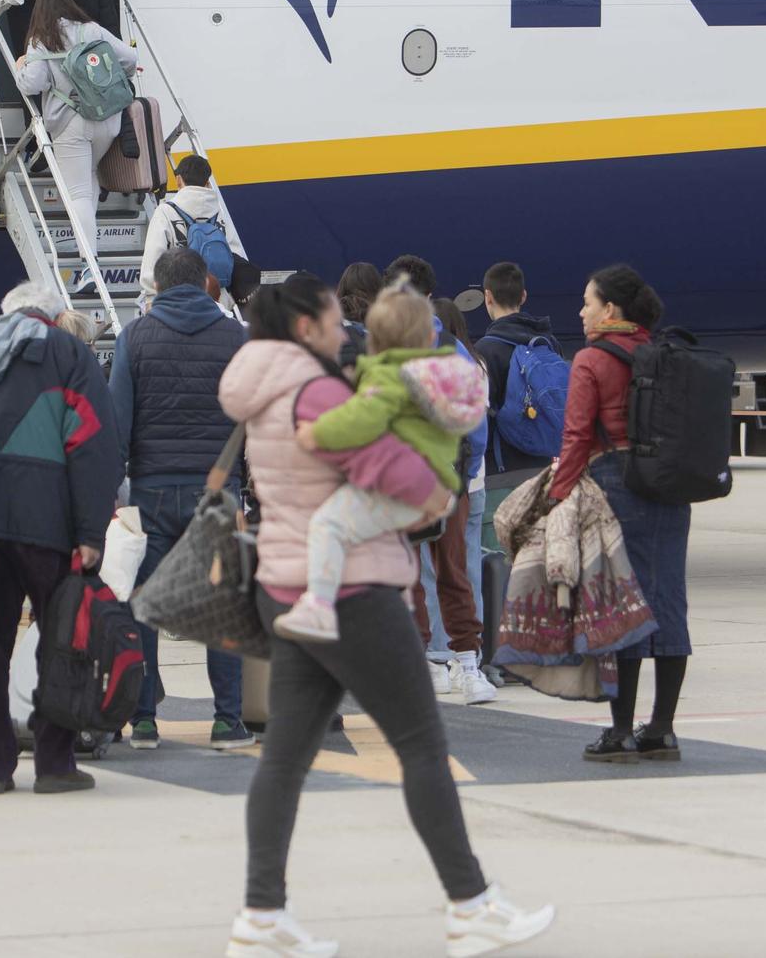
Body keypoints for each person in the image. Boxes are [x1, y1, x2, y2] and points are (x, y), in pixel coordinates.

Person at [218, 274, 555, 957]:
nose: (347, 328)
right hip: (357, 590)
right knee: (422, 746)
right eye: (335, 319)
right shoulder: (317, 390)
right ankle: (471, 905)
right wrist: (435, 491)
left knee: (283, 757)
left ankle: (261, 914)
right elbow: (395, 478)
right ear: (308, 325)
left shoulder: (259, 384)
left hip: (291, 581)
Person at [0, 282, 122, 795]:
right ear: (53, 315)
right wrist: (89, 532)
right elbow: (94, 444)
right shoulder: (67, 351)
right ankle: (54, 765)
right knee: (60, 647)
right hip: (47, 523)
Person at [277, 283, 481, 644]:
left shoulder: (390, 376)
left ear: (378, 340)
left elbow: (360, 418)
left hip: (397, 488)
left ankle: (320, 607)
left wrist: (315, 433)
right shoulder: (439, 376)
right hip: (437, 485)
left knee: (329, 524)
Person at [108, 247, 254, 751]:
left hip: (150, 489)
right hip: (216, 492)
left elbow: (117, 423)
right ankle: (227, 721)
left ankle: (144, 720)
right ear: (207, 282)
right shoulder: (237, 338)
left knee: (145, 605)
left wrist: (114, 488)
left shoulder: (134, 337)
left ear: (158, 284)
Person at [553, 264, 693, 764]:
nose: (581, 310)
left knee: (621, 607)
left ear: (610, 309)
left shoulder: (592, 359)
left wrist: (558, 492)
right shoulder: (664, 354)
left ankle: (619, 732)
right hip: (672, 486)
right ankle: (661, 729)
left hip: (616, 483)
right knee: (668, 601)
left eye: (588, 301)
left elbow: (576, 436)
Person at [384, 256, 495, 704]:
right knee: (454, 573)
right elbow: (477, 424)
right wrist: (465, 474)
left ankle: (424, 666)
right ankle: (467, 663)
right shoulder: (453, 348)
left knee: (409, 574)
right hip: (450, 479)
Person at [13, 0, 137, 291]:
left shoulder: (41, 40)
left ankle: (89, 265)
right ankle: (88, 249)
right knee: (89, 179)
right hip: (108, 120)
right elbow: (130, 59)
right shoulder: (92, 30)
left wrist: (20, 66)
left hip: (71, 123)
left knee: (77, 193)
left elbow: (33, 84)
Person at [474, 261, 561, 499]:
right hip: (545, 468)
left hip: (500, 471)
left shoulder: (484, 350)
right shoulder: (549, 345)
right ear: (523, 296)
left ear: (487, 297)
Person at [138, 154, 226, 307]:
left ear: (179, 180)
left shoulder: (165, 211)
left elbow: (152, 261)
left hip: (175, 299)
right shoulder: (219, 212)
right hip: (216, 299)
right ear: (207, 182)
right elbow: (233, 255)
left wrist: (151, 299)